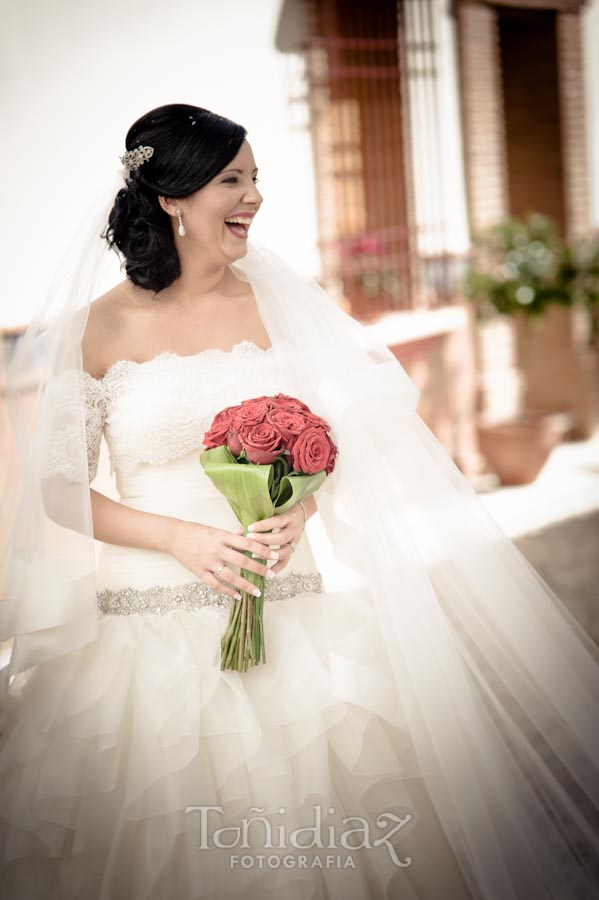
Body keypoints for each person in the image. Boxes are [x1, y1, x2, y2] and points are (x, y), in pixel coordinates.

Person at [0, 103, 597, 900]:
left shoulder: (279, 303)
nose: (251, 197)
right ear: (171, 197)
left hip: (289, 605)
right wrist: (180, 538)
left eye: (255, 179)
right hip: (146, 625)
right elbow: (61, 491)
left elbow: (330, 439)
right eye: (230, 180)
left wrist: (301, 508)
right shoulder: (95, 330)